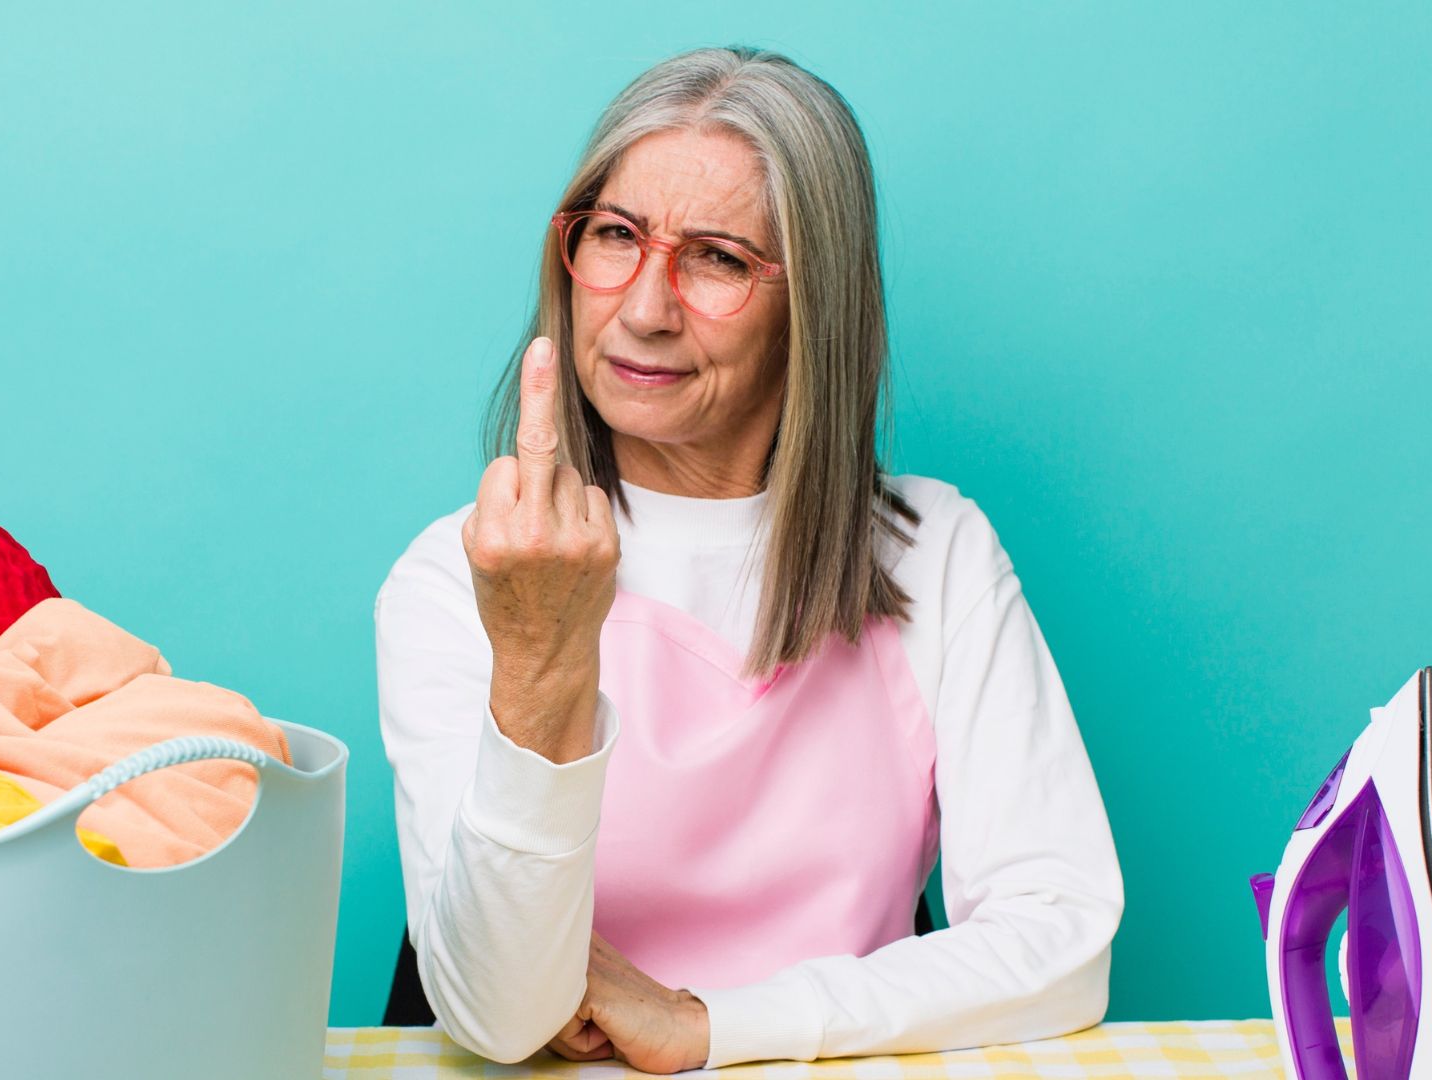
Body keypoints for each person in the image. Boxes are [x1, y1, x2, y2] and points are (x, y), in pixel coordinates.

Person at [375, 44, 1123, 1073]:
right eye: (615, 237)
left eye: (718, 258)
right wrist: (541, 663)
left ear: (813, 305)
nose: (643, 308)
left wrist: (710, 1022)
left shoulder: (936, 552)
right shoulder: (456, 574)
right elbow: (500, 1017)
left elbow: (1063, 940)